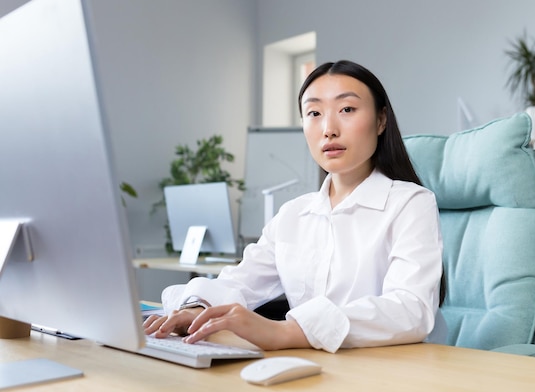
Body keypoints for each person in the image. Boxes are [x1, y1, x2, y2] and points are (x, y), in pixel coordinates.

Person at [144, 60, 443, 353]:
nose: (328, 129)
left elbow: (410, 308)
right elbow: (242, 281)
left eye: (347, 110)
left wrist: (289, 331)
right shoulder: (293, 214)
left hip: (389, 370)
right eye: (314, 113)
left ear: (381, 121)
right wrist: (197, 309)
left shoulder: (411, 203)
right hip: (313, 368)